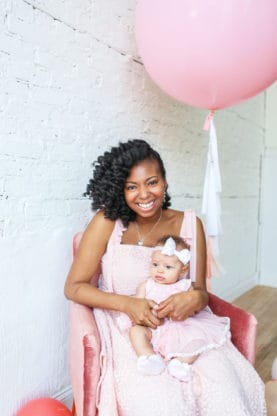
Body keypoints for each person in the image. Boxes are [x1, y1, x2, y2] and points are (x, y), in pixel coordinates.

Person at [64, 139, 266, 415]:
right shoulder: (107, 222)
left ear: (165, 182)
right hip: (129, 328)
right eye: (131, 187)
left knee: (222, 390)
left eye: (151, 182)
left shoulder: (189, 223)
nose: (144, 194)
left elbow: (200, 291)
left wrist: (194, 297)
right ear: (120, 189)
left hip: (185, 328)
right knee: (161, 401)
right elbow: (74, 287)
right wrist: (128, 304)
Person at [129, 235, 231, 381]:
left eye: (168, 267)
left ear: (183, 269)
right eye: (155, 264)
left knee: (198, 337)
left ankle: (181, 363)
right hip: (153, 327)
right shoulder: (146, 286)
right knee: (135, 332)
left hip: (180, 327)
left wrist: (188, 309)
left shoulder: (185, 286)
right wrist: (145, 314)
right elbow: (138, 306)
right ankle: (149, 356)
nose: (160, 271)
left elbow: (194, 308)